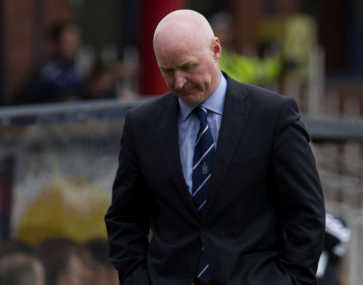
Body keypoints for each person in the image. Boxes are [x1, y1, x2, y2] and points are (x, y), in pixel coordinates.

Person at [105, 9, 325, 285]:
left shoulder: (273, 116)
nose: (178, 82)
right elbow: (124, 218)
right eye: (168, 71)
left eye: (187, 67)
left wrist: (293, 281)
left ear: (216, 49)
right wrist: (136, 279)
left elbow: (306, 212)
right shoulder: (141, 125)